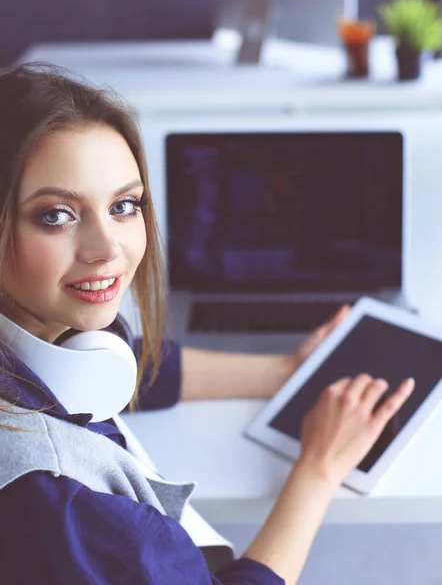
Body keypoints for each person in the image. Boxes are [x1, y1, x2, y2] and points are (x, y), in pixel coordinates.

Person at [0, 64, 414, 585]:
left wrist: (284, 370)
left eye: (124, 206)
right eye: (57, 215)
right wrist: (318, 468)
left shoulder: (38, 338)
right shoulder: (67, 505)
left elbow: (139, 361)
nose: (108, 249)